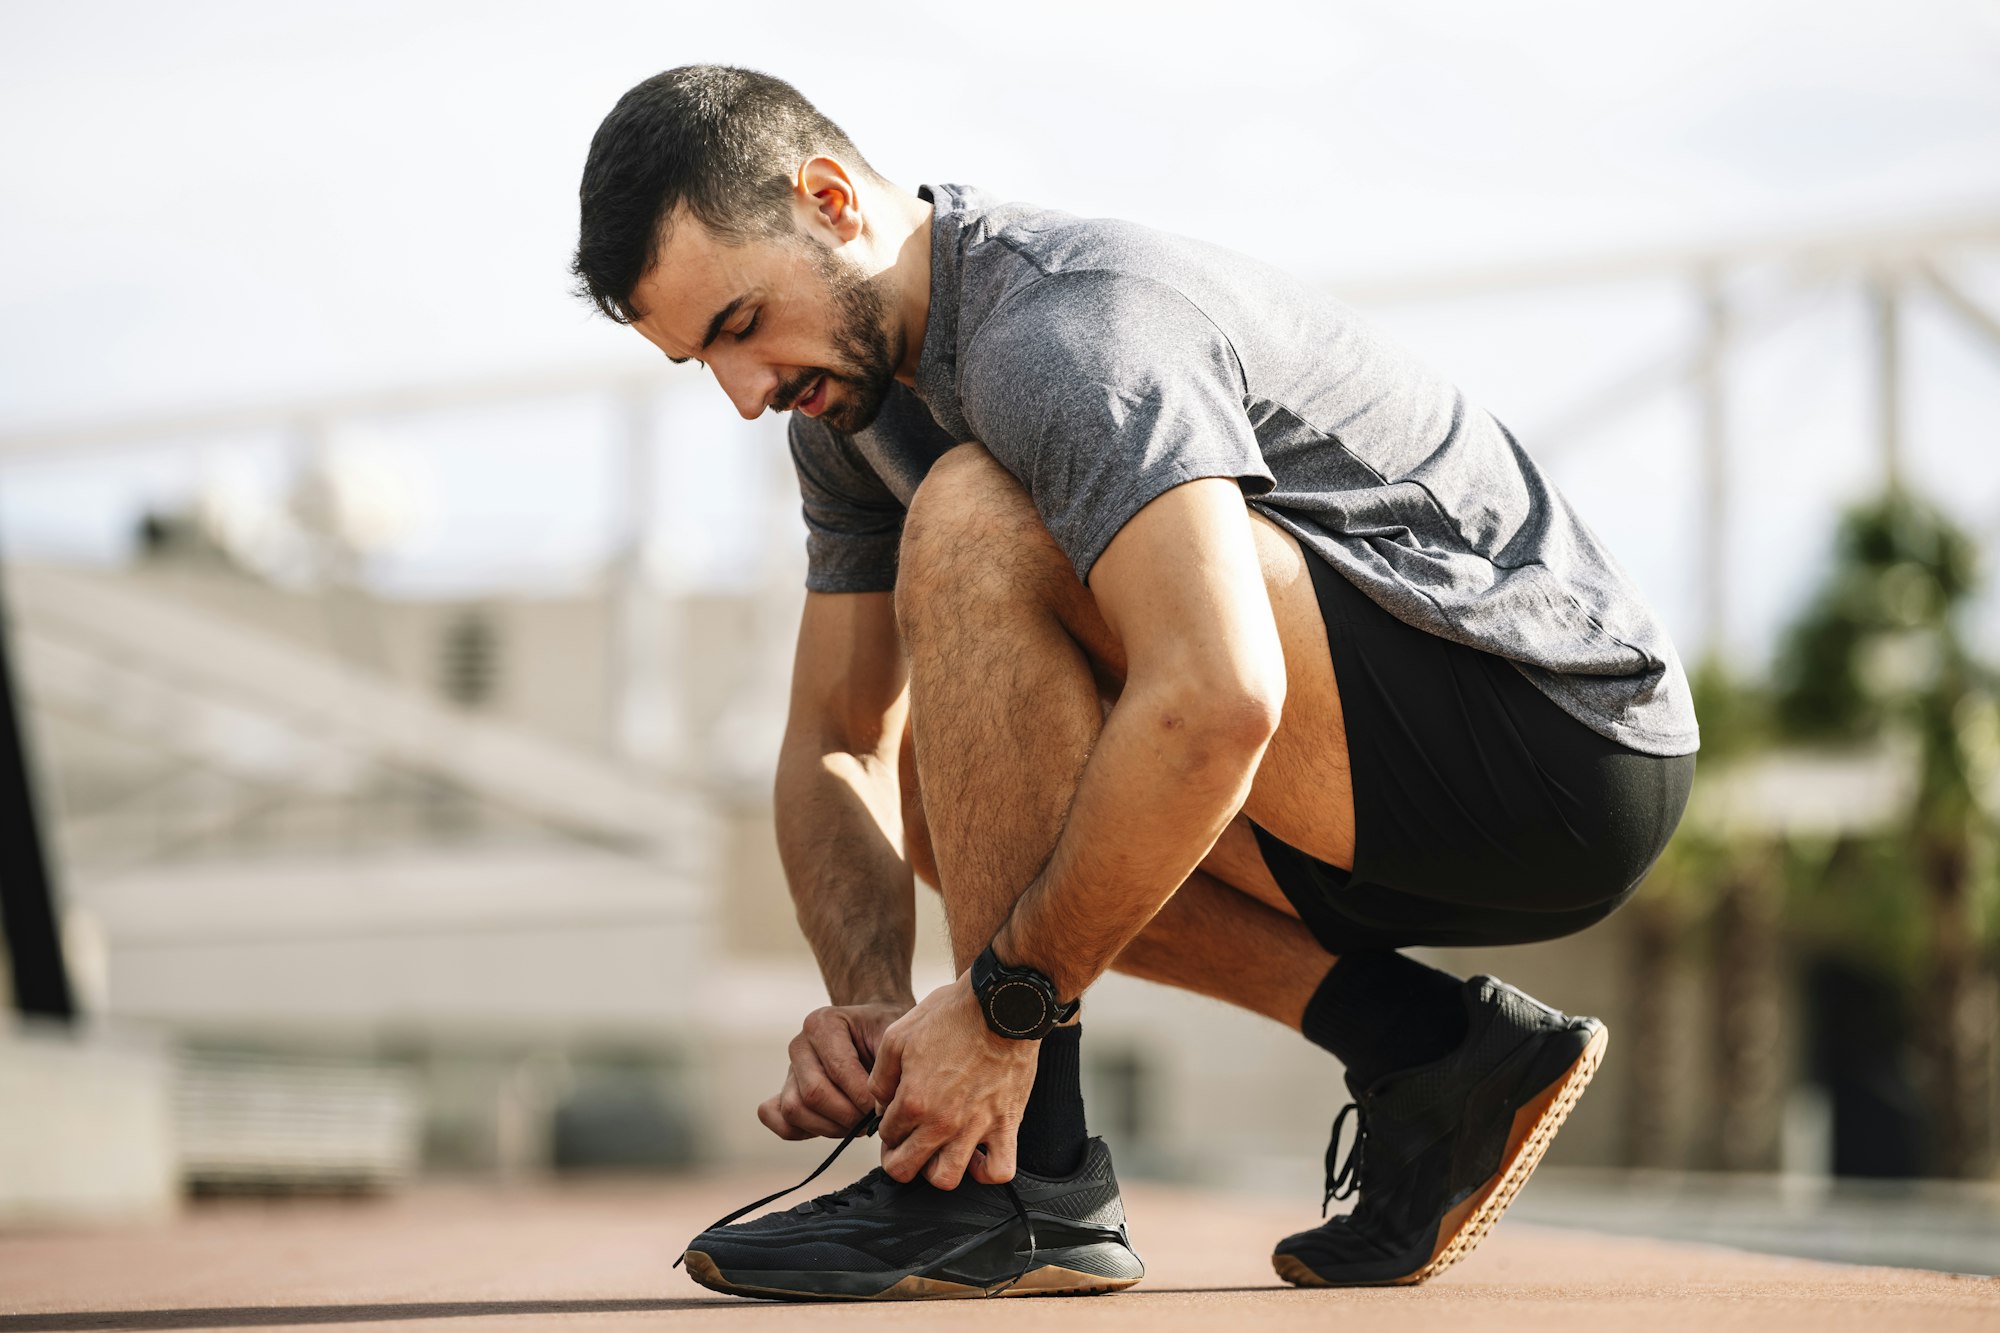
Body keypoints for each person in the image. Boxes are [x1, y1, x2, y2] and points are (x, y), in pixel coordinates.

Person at [571, 64, 1698, 1301]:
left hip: (1559, 745)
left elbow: (1217, 695)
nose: (743, 392)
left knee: (975, 516)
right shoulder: (847, 415)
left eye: (738, 324)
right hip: (1360, 788)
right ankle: (1427, 1051)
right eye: (700, 363)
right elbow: (840, 740)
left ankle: (1011, 1188)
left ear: (831, 198)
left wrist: (1000, 1010)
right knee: (957, 793)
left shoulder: (1062, 330)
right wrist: (883, 1012)